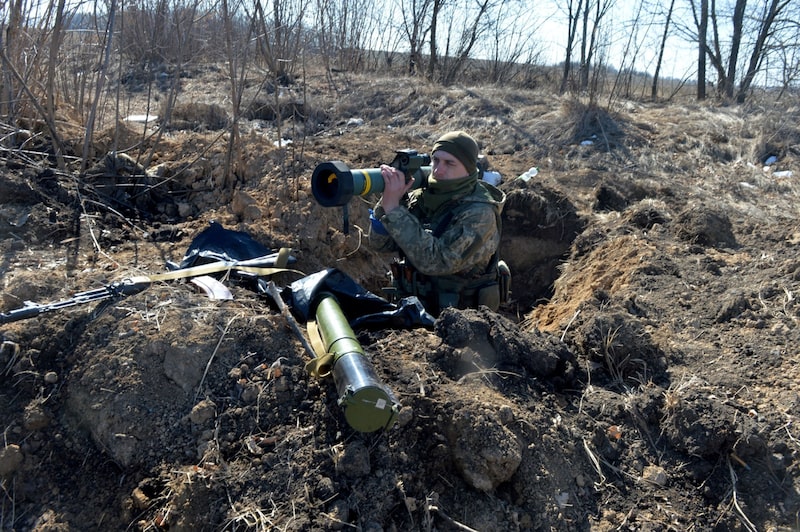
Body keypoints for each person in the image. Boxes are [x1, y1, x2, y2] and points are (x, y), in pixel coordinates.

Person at [368, 130, 507, 315]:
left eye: (449, 163)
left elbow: (437, 262)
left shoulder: (480, 213)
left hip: (462, 321)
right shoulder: (421, 197)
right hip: (414, 311)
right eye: (436, 160)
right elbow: (381, 244)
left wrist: (394, 210)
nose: (438, 170)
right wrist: (388, 202)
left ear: (469, 168)